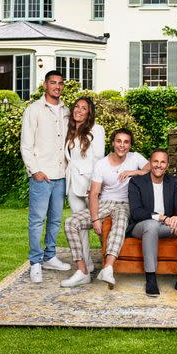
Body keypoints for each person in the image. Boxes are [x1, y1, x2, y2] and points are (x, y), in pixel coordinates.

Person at [61, 128, 149, 289]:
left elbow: (154, 168)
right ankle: (82, 271)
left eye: (126, 142)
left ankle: (108, 268)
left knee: (120, 222)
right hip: (105, 202)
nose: (122, 145)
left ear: (130, 145)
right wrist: (95, 219)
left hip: (125, 203)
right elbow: (93, 194)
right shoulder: (101, 164)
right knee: (70, 222)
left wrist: (133, 172)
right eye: (118, 141)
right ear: (113, 143)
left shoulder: (135, 157)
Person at [20, 70, 71, 283]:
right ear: (45, 85)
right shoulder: (33, 110)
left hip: (61, 176)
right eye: (53, 83)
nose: (57, 87)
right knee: (37, 220)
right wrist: (35, 171)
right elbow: (26, 144)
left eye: (60, 83)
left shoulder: (67, 111)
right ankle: (35, 262)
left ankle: (50, 256)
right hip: (42, 176)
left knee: (56, 220)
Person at [125, 149, 177, 297]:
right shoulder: (136, 182)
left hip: (166, 226)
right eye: (155, 161)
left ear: (167, 165)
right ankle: (151, 279)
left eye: (163, 162)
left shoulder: (172, 182)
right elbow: (136, 212)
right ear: (150, 163)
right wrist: (162, 218)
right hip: (142, 226)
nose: (159, 165)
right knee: (151, 225)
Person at [64, 96, 105, 272]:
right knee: (79, 228)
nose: (79, 111)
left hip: (91, 186)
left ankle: (110, 262)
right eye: (77, 107)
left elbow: (99, 158)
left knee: (102, 225)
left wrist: (94, 185)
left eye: (84, 108)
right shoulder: (70, 130)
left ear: (89, 113)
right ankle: (86, 266)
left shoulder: (97, 129)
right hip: (73, 185)